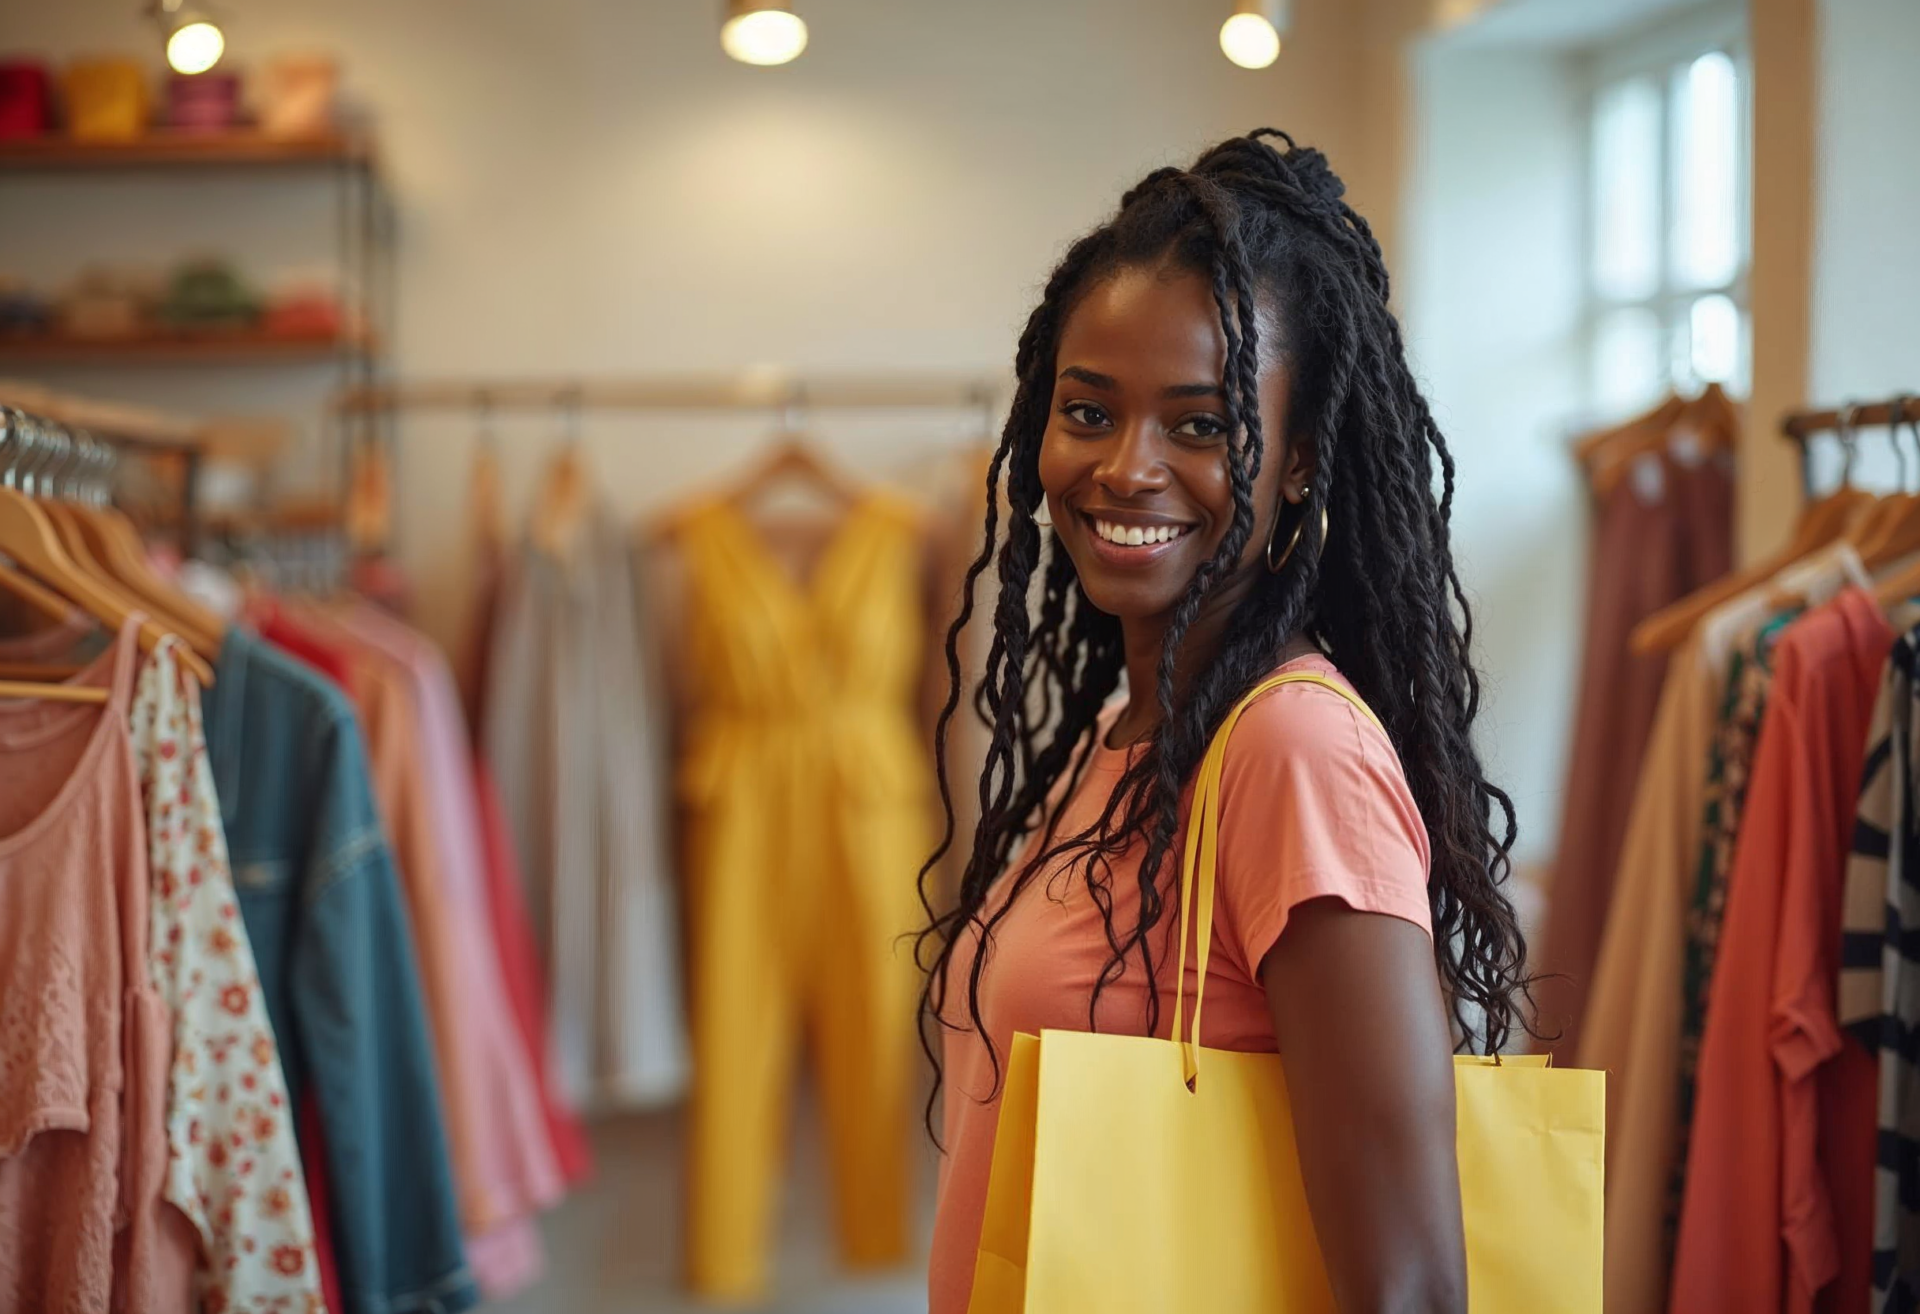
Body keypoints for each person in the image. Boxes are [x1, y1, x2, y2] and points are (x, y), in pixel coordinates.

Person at [917, 129, 1531, 1314]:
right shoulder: (1122, 735)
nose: (1126, 468)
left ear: (1299, 460)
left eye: (1201, 426)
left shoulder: (1292, 756)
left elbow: (1407, 1290)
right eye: (1088, 412)